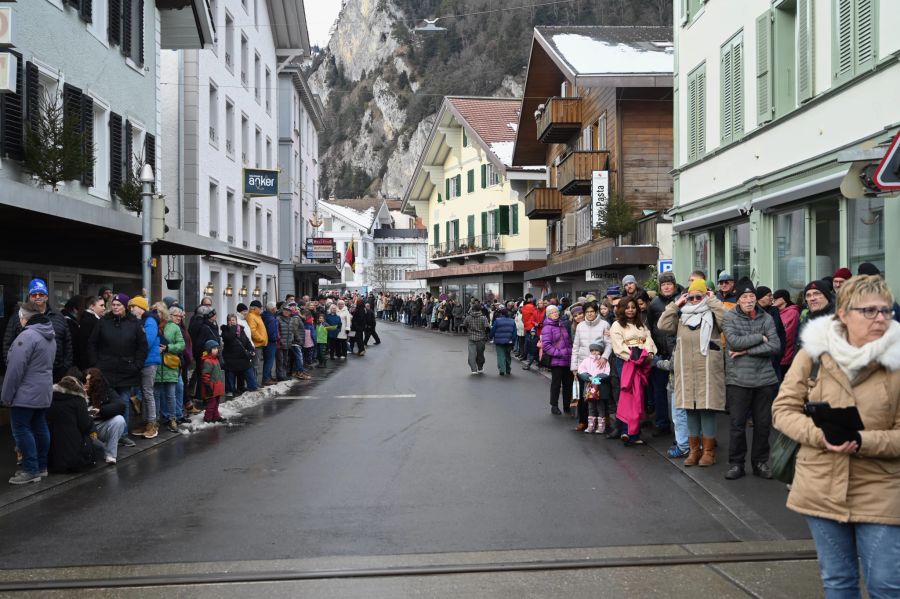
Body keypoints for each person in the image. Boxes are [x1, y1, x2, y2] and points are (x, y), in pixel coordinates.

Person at [772, 275, 900, 598]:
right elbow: (783, 410)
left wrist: (862, 441)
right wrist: (819, 435)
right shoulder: (813, 354)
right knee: (838, 581)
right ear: (843, 314)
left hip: (882, 487)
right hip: (820, 484)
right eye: (868, 311)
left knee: (886, 585)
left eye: (885, 311)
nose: (880, 318)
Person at [658, 278, 726, 466]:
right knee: (690, 411)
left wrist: (712, 300)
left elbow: (728, 320)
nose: (695, 300)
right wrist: (675, 304)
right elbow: (662, 325)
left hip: (707, 372)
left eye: (699, 296)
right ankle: (694, 451)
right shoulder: (682, 316)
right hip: (686, 371)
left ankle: (709, 452)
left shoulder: (713, 315)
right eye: (692, 297)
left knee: (707, 410)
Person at [721, 279, 781, 480]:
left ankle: (760, 463)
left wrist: (747, 350)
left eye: (752, 297)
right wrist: (760, 338)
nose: (749, 300)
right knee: (737, 425)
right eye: (744, 297)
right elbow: (734, 342)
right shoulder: (729, 317)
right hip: (738, 380)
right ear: (738, 300)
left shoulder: (767, 317)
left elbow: (775, 347)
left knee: (763, 425)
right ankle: (736, 464)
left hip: (765, 380)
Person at [2, 302, 56, 484]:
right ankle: (41, 466)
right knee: (40, 427)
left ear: (24, 318)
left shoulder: (27, 337)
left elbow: (14, 370)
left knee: (21, 430)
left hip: (24, 394)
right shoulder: (48, 334)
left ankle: (30, 469)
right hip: (42, 392)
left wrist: (6, 396)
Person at [87, 293, 147, 447]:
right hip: (105, 370)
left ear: (125, 307)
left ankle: (123, 434)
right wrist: (96, 364)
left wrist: (137, 365)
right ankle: (106, 433)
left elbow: (142, 347)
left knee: (124, 402)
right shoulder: (103, 322)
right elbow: (92, 343)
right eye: (113, 304)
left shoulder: (134, 324)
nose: (115, 307)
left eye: (118, 305)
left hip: (127, 371)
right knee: (104, 402)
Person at [3, 278, 73, 383]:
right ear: (29, 297)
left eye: (41, 294)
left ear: (46, 296)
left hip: (55, 376)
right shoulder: (18, 317)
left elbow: (68, 344)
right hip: (26, 376)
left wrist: (64, 368)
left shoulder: (59, 316)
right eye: (34, 294)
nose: (37, 297)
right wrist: (14, 368)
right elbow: (7, 345)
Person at [609, 297, 656, 444]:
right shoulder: (617, 325)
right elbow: (619, 346)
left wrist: (648, 353)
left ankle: (634, 432)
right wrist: (634, 355)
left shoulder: (641, 324)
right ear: (621, 309)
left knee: (638, 396)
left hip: (641, 362)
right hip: (626, 362)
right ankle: (625, 430)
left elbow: (649, 340)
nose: (630, 310)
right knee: (627, 396)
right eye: (627, 307)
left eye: (633, 307)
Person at [647, 272, 682, 437]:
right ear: (660, 287)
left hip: (679, 352)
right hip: (660, 353)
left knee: (680, 392)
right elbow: (650, 328)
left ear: (674, 285)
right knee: (659, 391)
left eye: (669, 284)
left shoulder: (682, 299)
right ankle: (662, 423)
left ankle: (683, 429)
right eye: (663, 284)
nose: (667, 287)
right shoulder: (654, 304)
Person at [570, 301, 612, 431]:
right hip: (585, 367)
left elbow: (609, 344)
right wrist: (574, 366)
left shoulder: (604, 324)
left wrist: (604, 357)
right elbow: (576, 346)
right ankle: (584, 421)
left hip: (600, 366)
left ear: (596, 312)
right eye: (587, 312)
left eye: (592, 312)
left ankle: (603, 421)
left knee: (601, 394)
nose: (589, 314)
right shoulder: (580, 326)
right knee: (584, 395)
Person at [46, 375, 97, 473]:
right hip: (74, 459)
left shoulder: (51, 398)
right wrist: (90, 418)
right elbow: (85, 425)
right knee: (96, 441)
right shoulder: (78, 400)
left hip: (53, 458)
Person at [128, 296, 160, 437]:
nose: (131, 309)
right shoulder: (141, 321)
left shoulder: (150, 321)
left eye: (133, 306)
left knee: (147, 393)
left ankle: (152, 424)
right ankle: (146, 422)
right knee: (144, 393)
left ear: (140, 308)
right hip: (142, 362)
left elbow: (147, 341)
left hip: (148, 362)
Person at [84, 368, 127, 464]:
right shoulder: (80, 391)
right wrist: (83, 396)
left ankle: (110, 454)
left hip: (99, 425)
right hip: (86, 428)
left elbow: (121, 405)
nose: (86, 383)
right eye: (86, 380)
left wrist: (100, 410)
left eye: (89, 380)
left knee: (119, 420)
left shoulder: (106, 391)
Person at [154, 303, 185, 433]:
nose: (157, 315)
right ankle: (154, 420)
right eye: (155, 312)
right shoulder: (152, 325)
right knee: (155, 395)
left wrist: (168, 348)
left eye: (160, 312)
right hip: (156, 365)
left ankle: (172, 419)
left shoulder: (174, 327)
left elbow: (181, 344)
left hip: (170, 365)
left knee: (170, 395)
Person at [541, 305, 573, 415]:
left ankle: (567, 406)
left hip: (567, 359)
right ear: (548, 314)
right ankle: (554, 406)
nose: (556, 313)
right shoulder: (547, 328)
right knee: (556, 384)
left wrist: (570, 351)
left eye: (557, 312)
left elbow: (567, 341)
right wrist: (559, 353)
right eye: (553, 312)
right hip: (557, 361)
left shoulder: (562, 324)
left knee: (568, 384)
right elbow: (546, 346)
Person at [577, 343, 612, 433]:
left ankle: (601, 426)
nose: (595, 353)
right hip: (589, 387)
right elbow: (581, 370)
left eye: (597, 351)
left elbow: (607, 373)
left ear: (600, 352)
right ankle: (591, 425)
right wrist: (588, 377)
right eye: (592, 351)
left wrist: (597, 378)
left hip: (601, 389)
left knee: (600, 406)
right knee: (591, 406)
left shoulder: (604, 361)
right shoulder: (586, 360)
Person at [221, 314, 260, 393]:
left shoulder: (241, 330)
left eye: (233, 320)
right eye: (230, 320)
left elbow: (247, 342)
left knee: (250, 376)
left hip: (243, 357)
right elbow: (228, 338)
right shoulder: (225, 330)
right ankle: (230, 391)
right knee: (230, 377)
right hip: (230, 359)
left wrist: (251, 350)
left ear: (236, 321)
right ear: (227, 322)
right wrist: (233, 328)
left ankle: (251, 388)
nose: (232, 322)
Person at [756, 286, 788, 381]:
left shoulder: (774, 310)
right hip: (759, 357)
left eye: (771, 295)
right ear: (760, 297)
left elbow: (781, 332)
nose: (771, 298)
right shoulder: (753, 311)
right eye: (769, 295)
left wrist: (780, 351)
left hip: (774, 356)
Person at [773, 289, 801, 373]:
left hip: (785, 355)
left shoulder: (792, 312)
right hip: (778, 354)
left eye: (776, 298)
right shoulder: (777, 312)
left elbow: (787, 334)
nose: (773, 300)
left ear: (783, 299)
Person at [199, 340, 226, 424]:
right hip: (211, 387)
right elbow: (205, 375)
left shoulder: (215, 359)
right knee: (211, 404)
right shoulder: (208, 361)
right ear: (209, 349)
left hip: (217, 386)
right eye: (214, 348)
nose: (216, 350)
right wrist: (207, 386)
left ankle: (216, 416)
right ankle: (208, 418)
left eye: (217, 348)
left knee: (216, 403)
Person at [76, 296, 105, 371]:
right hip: (90, 364)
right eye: (101, 305)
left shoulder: (87, 318)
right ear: (92, 306)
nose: (104, 308)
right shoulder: (92, 321)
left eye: (104, 305)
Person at [463, 300, 490, 374]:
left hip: (471, 338)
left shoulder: (468, 317)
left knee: (471, 354)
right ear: (480, 310)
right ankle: (480, 368)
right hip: (481, 338)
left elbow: (464, 326)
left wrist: (467, 331)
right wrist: (486, 334)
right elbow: (487, 328)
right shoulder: (483, 318)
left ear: (472, 309)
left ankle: (473, 369)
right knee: (480, 354)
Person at [489, 307, 516, 376]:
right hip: (509, 341)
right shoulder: (512, 321)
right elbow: (514, 333)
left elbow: (493, 330)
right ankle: (508, 369)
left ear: (501, 314)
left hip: (499, 341)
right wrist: (513, 341)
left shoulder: (497, 321)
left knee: (501, 355)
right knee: (507, 355)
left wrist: (491, 336)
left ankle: (502, 369)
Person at [246, 300, 268, 382]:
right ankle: (254, 382)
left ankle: (254, 382)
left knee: (256, 364)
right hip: (256, 344)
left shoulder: (257, 316)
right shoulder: (252, 316)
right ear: (255, 308)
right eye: (260, 308)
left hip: (259, 344)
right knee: (255, 364)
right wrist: (261, 339)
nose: (261, 309)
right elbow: (253, 331)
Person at [261, 302, 279, 384]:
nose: (276, 309)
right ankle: (266, 378)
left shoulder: (266, 316)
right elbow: (271, 332)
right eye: (275, 307)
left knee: (268, 360)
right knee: (269, 361)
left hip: (267, 341)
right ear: (272, 309)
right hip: (270, 342)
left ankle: (268, 376)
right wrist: (275, 339)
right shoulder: (271, 319)